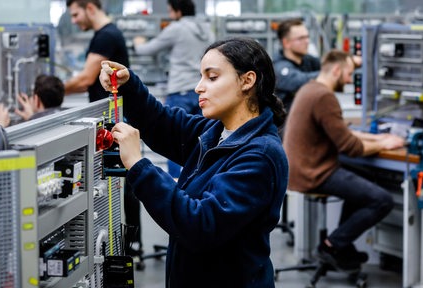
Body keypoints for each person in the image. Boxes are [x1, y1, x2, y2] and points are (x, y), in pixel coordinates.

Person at [100, 37, 289, 287]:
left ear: (247, 81)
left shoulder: (260, 156)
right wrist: (129, 85)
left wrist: (138, 165)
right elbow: (163, 123)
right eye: (201, 77)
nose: (199, 87)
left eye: (212, 77)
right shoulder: (216, 132)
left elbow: (201, 225)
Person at [283, 50, 405, 271]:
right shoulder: (324, 97)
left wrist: (377, 137)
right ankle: (332, 245)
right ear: (337, 70)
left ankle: (342, 245)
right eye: (349, 74)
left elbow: (342, 132)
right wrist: (383, 145)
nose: (349, 81)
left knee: (366, 177)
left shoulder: (310, 89)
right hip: (313, 173)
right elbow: (350, 146)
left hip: (301, 168)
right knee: (382, 200)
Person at [132, 0, 214, 178]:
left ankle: (179, 185)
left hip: (180, 91)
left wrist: (138, 42)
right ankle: (199, 181)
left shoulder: (177, 28)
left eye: (170, 11)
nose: (169, 16)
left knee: (175, 140)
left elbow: (147, 50)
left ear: (178, 11)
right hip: (202, 90)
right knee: (204, 141)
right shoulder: (206, 29)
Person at [64, 0, 130, 102]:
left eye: (76, 15)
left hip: (111, 112)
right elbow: (87, 83)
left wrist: (54, 92)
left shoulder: (106, 36)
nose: (73, 21)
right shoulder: (105, 33)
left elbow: (86, 80)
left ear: (90, 8)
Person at [273, 18, 321, 114]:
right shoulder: (278, 67)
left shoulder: (309, 61)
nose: (307, 41)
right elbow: (297, 80)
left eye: (307, 37)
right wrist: (328, 75)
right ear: (286, 43)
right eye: (301, 38)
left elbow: (327, 67)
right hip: (285, 125)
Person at [0, 75, 65, 127]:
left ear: (36, 100)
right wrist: (31, 118)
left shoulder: (37, 129)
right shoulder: (63, 120)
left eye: (31, 96)